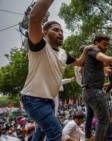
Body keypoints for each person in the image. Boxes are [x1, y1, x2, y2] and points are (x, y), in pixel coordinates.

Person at [20, 1, 93, 141]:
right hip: (34, 99)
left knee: (41, 132)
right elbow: (34, 18)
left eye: (61, 31)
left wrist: (87, 50)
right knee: (56, 133)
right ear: (45, 33)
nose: (60, 33)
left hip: (49, 101)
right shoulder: (39, 45)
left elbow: (79, 62)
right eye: (55, 30)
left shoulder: (63, 53)